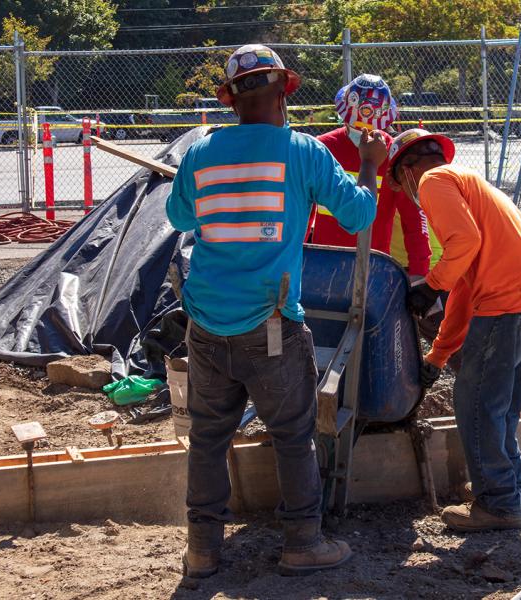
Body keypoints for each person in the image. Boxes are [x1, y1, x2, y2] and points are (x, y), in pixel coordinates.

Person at [166, 44, 384, 579]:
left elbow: (178, 214)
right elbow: (358, 214)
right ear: (284, 92)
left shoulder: (201, 153)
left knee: (208, 438)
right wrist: (371, 166)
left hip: (206, 322)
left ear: (230, 100)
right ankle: (302, 543)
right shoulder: (303, 151)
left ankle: (203, 551)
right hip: (271, 324)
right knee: (292, 435)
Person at [386, 128, 521, 532]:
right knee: (499, 405)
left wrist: (431, 285)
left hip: (511, 303)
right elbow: (466, 291)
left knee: (476, 404)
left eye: (399, 184)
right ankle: (512, 491)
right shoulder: (471, 186)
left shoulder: (434, 181)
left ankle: (499, 504)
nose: (404, 193)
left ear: (408, 169)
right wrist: (437, 355)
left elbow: (463, 244)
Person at [311, 74, 432, 279]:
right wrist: (420, 275)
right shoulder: (321, 148)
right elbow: (415, 224)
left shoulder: (319, 148)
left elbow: (414, 220)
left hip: (328, 265)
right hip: (364, 268)